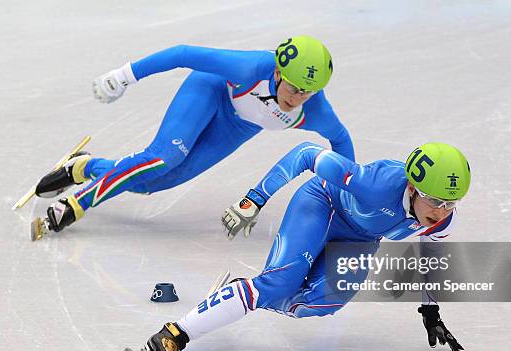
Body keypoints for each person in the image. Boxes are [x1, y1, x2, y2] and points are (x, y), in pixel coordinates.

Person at [136, 141, 470, 351]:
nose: (442, 212)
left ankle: (241, 293)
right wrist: (253, 200)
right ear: (412, 187)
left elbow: (431, 257)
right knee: (282, 281)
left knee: (324, 303)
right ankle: (177, 333)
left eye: (450, 203)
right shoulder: (375, 184)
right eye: (435, 200)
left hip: (359, 238)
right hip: (321, 205)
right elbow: (306, 153)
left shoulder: (441, 220)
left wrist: (430, 308)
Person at [33, 36, 354, 236]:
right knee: (164, 158)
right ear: (278, 72)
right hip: (208, 90)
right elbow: (182, 53)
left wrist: (347, 196)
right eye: (294, 87)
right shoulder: (250, 68)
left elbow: (341, 142)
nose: (298, 98)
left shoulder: (315, 112)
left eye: (309, 93)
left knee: (152, 183)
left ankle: (85, 167)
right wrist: (123, 76)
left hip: (236, 127)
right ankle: (78, 202)